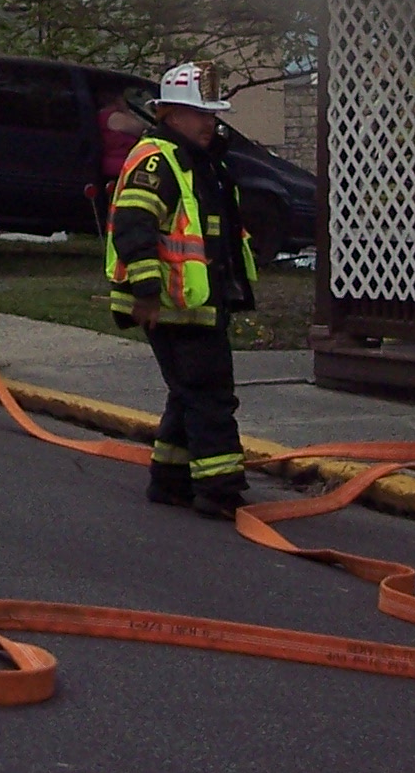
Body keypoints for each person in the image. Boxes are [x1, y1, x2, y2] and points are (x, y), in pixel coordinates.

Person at [107, 63, 258, 516]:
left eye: (213, 114)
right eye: (200, 114)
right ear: (171, 114)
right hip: (172, 304)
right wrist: (146, 291)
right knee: (210, 394)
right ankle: (219, 488)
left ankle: (171, 480)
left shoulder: (202, 161)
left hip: (197, 301)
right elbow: (134, 225)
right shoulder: (159, 160)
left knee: (189, 391)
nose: (210, 123)